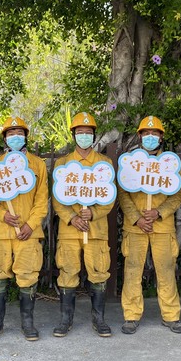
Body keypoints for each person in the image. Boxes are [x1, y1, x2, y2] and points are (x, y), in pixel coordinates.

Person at [0, 117, 48, 341]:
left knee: (28, 276)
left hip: (28, 233)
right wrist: (2, 215)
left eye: (19, 133)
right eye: (11, 134)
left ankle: (27, 323)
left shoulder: (38, 164)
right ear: (5, 138)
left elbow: (42, 200)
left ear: (26, 136)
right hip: (1, 232)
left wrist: (30, 224)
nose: (15, 137)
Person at [118, 116, 181, 335]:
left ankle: (171, 316)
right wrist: (136, 217)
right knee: (133, 271)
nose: (150, 137)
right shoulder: (129, 162)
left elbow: (177, 194)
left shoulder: (170, 164)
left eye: (154, 133)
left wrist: (159, 212)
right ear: (139, 136)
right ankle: (131, 315)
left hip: (163, 226)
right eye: (146, 134)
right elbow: (122, 193)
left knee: (166, 270)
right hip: (135, 227)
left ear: (161, 137)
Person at [52, 112, 115, 338]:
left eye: (88, 133)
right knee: (67, 273)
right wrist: (73, 218)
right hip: (69, 232)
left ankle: (99, 320)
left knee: (98, 273)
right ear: (73, 135)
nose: (84, 136)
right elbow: (58, 200)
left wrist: (94, 213)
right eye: (80, 133)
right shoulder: (62, 164)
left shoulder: (105, 164)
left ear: (94, 136)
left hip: (96, 231)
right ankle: (65, 320)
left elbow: (109, 198)